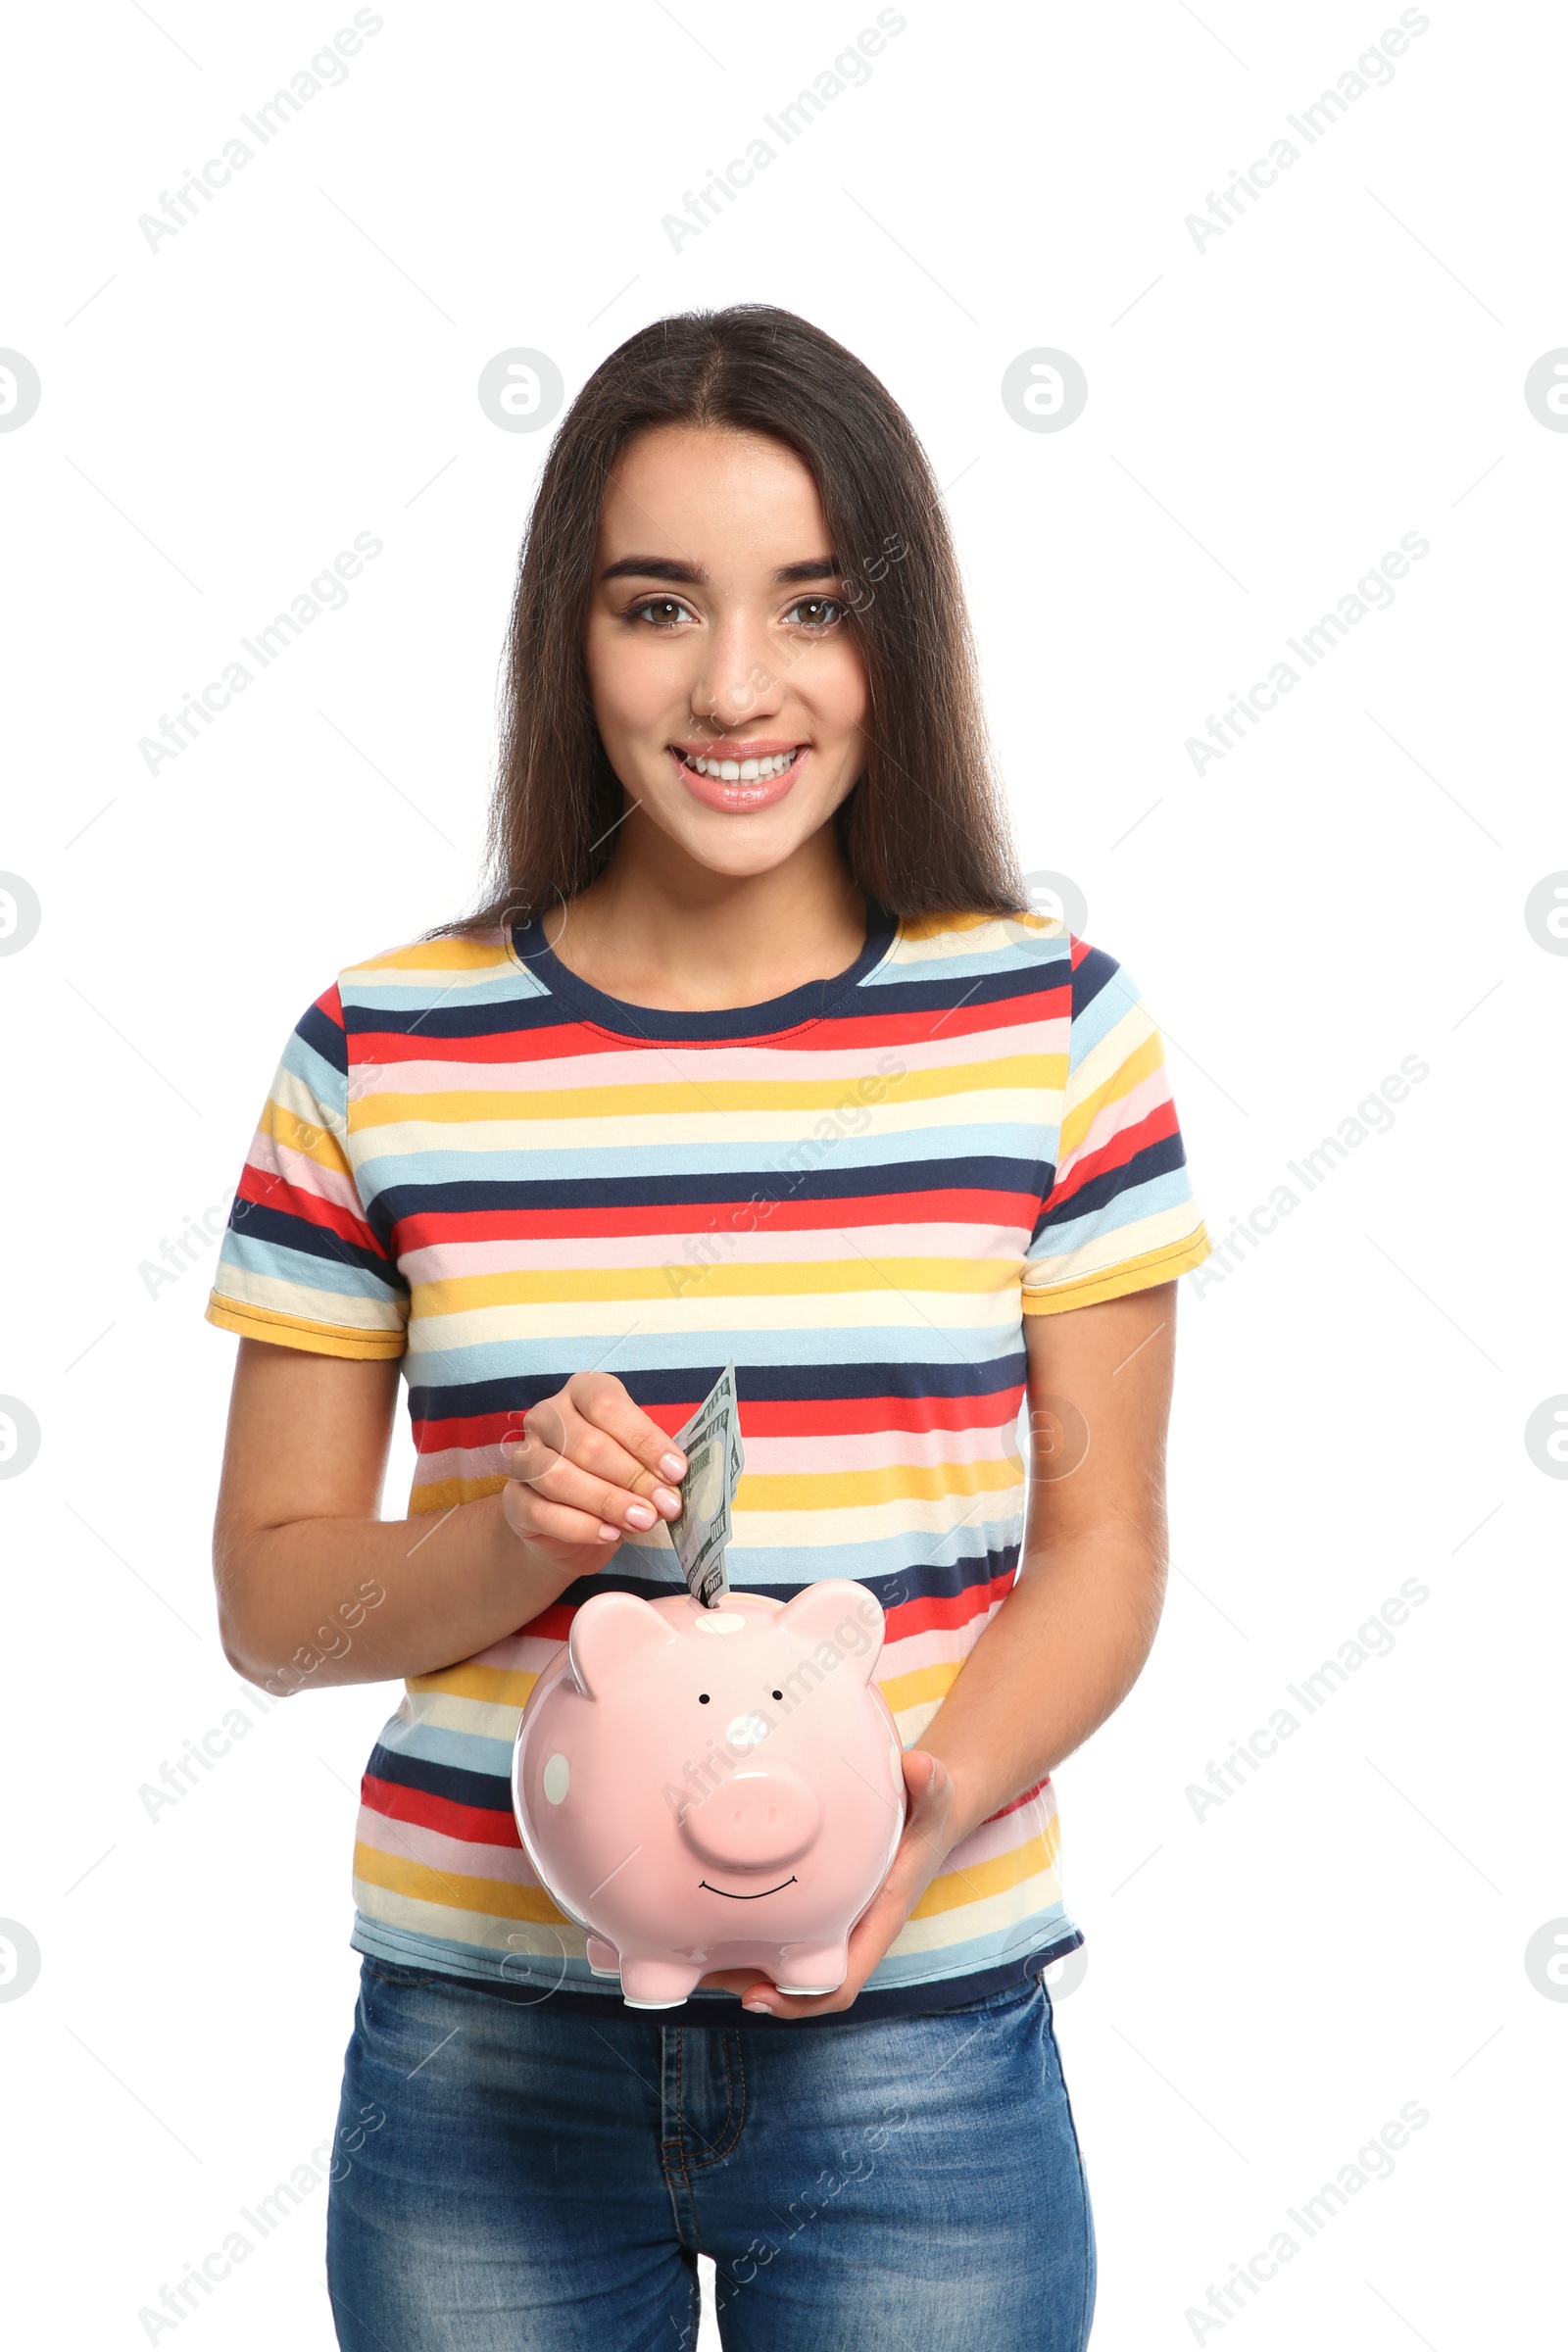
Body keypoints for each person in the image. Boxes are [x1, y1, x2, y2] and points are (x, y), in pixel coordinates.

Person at [207, 303, 1212, 2352]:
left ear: (893, 641)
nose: (734, 687)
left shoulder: (1046, 1031)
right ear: (568, 640)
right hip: (481, 2051)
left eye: (810, 607)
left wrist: (917, 1828)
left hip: (914, 2042)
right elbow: (271, 1608)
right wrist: (509, 1537)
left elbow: (1101, 1557)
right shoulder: (379, 1051)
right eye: (658, 606)